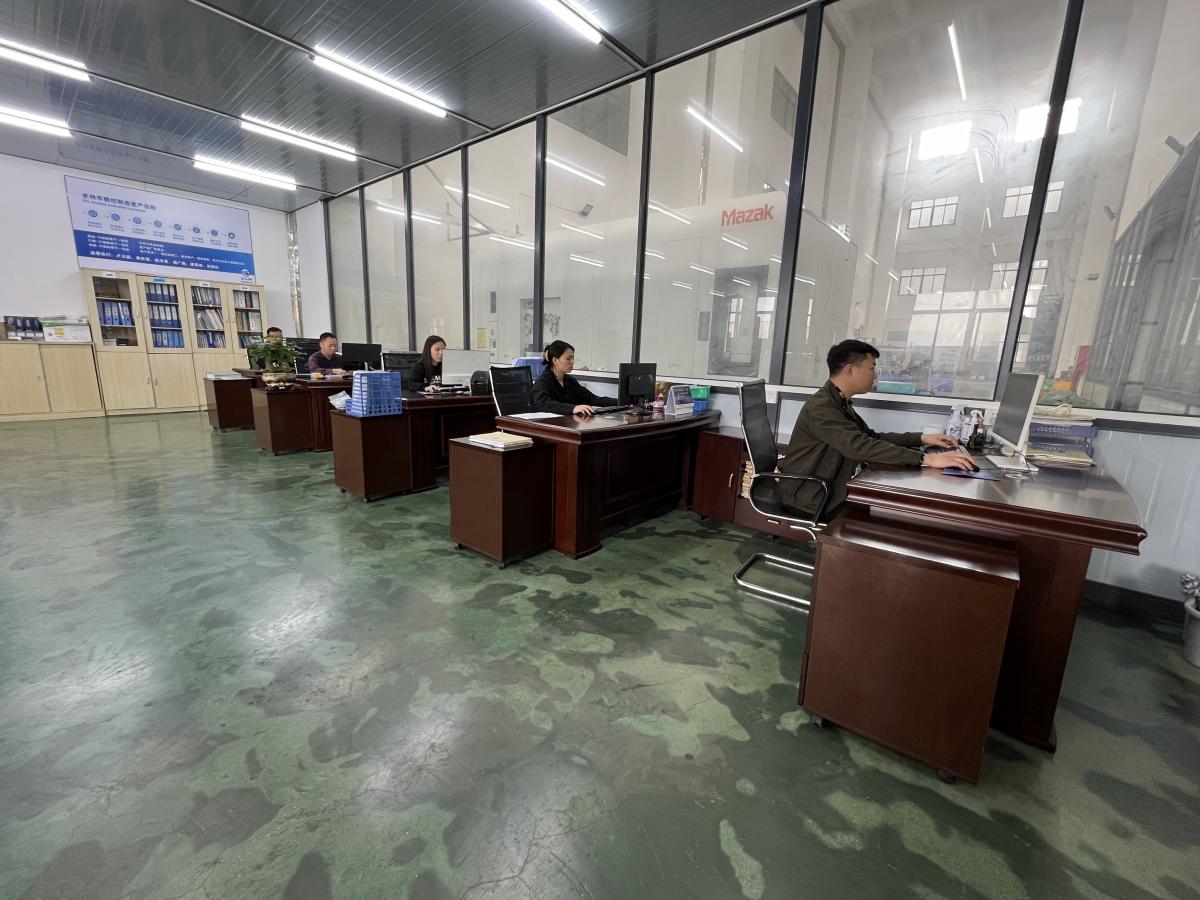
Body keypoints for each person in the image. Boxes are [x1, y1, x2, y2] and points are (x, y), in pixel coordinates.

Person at [779, 339, 975, 520]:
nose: (876, 375)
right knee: (890, 515)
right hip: (810, 497)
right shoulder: (821, 407)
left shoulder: (838, 402)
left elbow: (870, 437)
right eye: (872, 368)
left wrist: (922, 438)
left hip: (826, 488)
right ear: (850, 370)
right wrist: (927, 459)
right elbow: (859, 446)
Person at [532, 341, 619, 416]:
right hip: (550, 426)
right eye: (568, 358)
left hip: (568, 424)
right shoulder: (542, 382)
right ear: (555, 360)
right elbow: (543, 404)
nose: (572, 362)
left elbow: (593, 399)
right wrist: (573, 408)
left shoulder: (570, 381)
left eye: (573, 358)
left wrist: (621, 402)